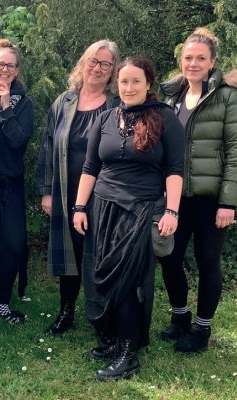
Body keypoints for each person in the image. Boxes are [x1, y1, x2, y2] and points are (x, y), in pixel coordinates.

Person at [73, 56, 184, 380]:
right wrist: (79, 207)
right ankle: (113, 339)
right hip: (102, 209)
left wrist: (172, 211)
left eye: (136, 81)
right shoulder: (106, 118)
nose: (129, 87)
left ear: (148, 84)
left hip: (140, 211)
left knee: (127, 281)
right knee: (102, 277)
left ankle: (128, 355)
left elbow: (175, 169)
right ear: (116, 84)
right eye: (124, 81)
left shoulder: (164, 118)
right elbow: (91, 167)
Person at [158, 27, 237, 353]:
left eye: (200, 58)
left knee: (207, 261)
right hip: (177, 198)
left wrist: (229, 202)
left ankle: (201, 329)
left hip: (211, 198)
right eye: (188, 57)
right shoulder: (172, 98)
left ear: (212, 62)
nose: (193, 63)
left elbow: (235, 151)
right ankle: (180, 317)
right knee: (169, 256)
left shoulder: (228, 97)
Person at [37, 40, 120, 336]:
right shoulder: (64, 102)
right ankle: (66, 312)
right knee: (69, 255)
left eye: (105, 64)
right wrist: (47, 191)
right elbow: (47, 147)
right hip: (65, 192)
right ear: (84, 63)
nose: (97, 68)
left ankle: (103, 315)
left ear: (113, 71)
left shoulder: (116, 105)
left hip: (105, 196)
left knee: (101, 255)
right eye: (93, 61)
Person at [0, 39, 34, 323]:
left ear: (17, 70)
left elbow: (19, 141)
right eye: (0, 64)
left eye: (10, 66)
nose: (5, 70)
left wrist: (5, 109)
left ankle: (0, 301)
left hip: (8, 185)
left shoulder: (23, 104)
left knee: (13, 245)